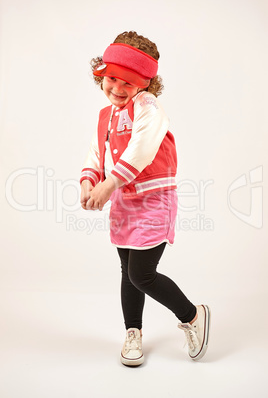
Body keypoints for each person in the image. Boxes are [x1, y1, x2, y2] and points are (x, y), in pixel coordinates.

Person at [80, 31, 211, 366]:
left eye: (129, 82)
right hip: (125, 200)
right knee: (128, 270)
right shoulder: (105, 116)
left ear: (146, 84)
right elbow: (98, 154)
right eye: (111, 78)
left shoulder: (148, 108)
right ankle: (133, 331)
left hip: (153, 199)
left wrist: (106, 187)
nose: (118, 88)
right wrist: (88, 182)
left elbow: (140, 151)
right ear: (101, 74)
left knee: (142, 273)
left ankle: (192, 315)